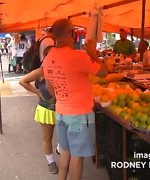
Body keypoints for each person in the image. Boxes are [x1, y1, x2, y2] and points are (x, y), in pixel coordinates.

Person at [42, 18, 107, 180]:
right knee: (77, 157)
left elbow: (49, 87)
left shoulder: (48, 57)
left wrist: (63, 98)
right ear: (71, 34)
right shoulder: (78, 56)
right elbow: (103, 73)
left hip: (61, 112)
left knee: (65, 151)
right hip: (79, 115)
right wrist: (92, 52)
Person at [19, 28, 58, 174]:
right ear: (46, 57)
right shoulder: (41, 71)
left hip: (62, 108)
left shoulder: (61, 69)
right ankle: (51, 162)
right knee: (47, 137)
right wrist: (37, 92)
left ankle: (60, 149)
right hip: (46, 108)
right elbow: (23, 81)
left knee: (64, 136)